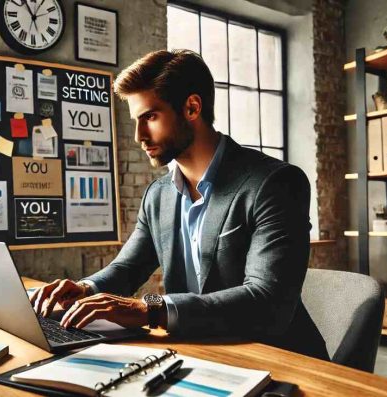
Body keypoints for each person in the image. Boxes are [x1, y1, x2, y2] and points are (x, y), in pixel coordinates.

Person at [30, 50, 329, 360]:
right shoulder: (158, 196)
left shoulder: (275, 184)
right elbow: (127, 268)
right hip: (198, 352)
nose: (139, 136)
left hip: (280, 359)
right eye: (136, 120)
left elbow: (267, 302)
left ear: (191, 107)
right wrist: (85, 288)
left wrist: (150, 310)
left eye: (150, 117)